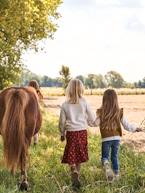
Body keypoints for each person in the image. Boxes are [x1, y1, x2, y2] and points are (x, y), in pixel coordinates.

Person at [93, 89, 142, 181]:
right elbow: (127, 125)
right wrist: (135, 128)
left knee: (105, 157)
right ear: (116, 99)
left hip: (106, 139)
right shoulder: (119, 112)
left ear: (104, 99)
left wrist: (86, 120)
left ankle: (106, 164)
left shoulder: (101, 112)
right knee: (114, 157)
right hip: (116, 138)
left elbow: (95, 123)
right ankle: (116, 174)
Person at [59, 79, 96, 190]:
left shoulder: (65, 104)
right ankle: (77, 174)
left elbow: (61, 122)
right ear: (81, 89)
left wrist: (62, 133)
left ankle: (73, 169)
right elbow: (92, 117)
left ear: (69, 89)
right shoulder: (84, 102)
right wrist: (91, 122)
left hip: (71, 133)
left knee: (71, 152)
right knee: (79, 154)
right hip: (82, 132)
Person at [28, 80, 43, 145]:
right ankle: (35, 142)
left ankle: (29, 141)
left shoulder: (28, 92)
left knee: (29, 127)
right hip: (36, 111)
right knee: (35, 128)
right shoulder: (38, 92)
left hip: (29, 110)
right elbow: (41, 100)